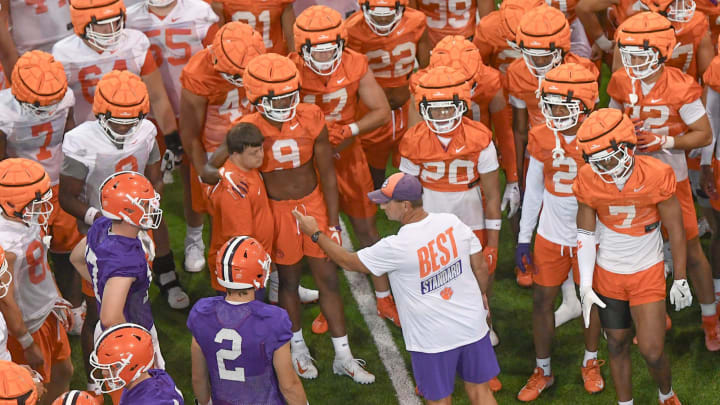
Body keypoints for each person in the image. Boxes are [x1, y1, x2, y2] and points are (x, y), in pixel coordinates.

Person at [218, 52, 374, 383]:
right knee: (287, 282)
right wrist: (214, 179)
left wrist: (331, 220)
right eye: (279, 98)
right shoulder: (245, 128)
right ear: (256, 98)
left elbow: (327, 173)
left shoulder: (312, 116)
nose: (287, 103)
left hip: (313, 204)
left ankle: (343, 356)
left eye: (291, 95)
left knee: (329, 279)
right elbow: (219, 163)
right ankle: (298, 349)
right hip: (276, 210)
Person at [292, 172, 500, 405]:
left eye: (386, 202)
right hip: (472, 328)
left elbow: (347, 261)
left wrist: (315, 233)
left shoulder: (396, 247)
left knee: (439, 401)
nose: (382, 208)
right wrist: (481, 295)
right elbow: (480, 267)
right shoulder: (453, 223)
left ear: (405, 205)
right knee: (482, 394)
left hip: (431, 342)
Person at [608, 11, 720, 351]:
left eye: (641, 54)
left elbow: (704, 134)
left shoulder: (681, 86)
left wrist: (665, 141)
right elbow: (610, 121)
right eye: (629, 54)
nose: (633, 62)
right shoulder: (621, 81)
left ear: (661, 52)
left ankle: (710, 319)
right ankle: (655, 315)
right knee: (643, 252)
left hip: (672, 179)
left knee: (691, 249)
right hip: (629, 180)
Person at [289, 5, 399, 332]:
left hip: (348, 158)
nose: (325, 57)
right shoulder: (288, 70)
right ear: (301, 47)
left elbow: (381, 110)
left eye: (330, 48)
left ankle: (383, 296)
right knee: (320, 234)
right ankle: (328, 301)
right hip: (309, 165)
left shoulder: (355, 62)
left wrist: (349, 129)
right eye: (317, 50)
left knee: (366, 229)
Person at [574, 108, 689, 405]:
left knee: (652, 350)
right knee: (616, 343)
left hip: (647, 270)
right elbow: (585, 235)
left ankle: (667, 393)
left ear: (627, 147)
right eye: (597, 161)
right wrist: (586, 285)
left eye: (610, 158)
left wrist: (681, 278)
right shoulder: (588, 178)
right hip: (609, 271)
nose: (605, 168)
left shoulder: (656, 173)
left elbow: (676, 230)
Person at [514, 63, 604, 402]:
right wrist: (524, 237)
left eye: (558, 106)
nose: (550, 113)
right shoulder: (542, 136)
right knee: (541, 301)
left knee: (591, 300)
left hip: (590, 234)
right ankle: (543, 369)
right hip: (551, 234)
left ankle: (591, 360)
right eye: (548, 105)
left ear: (582, 105)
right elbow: (533, 190)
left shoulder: (602, 133)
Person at [399, 66, 502, 350]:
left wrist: (492, 243)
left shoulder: (480, 137)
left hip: (470, 210)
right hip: (429, 209)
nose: (442, 115)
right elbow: (406, 195)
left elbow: (493, 196)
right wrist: (409, 234)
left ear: (462, 105)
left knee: (478, 275)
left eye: (447, 108)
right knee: (430, 280)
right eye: (435, 108)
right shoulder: (413, 139)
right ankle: (436, 339)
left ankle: (483, 328)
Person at [125, 0, 220, 273]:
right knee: (150, 186)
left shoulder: (199, 11)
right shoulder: (129, 18)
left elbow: (217, 61)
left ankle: (194, 240)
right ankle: (153, 251)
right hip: (150, 114)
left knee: (197, 179)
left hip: (195, 109)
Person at [0, 50, 85, 335]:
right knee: (25, 255)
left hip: (57, 183)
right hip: (21, 191)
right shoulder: (3, 111)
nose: (49, 108)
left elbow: (70, 137)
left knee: (67, 248)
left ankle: (74, 304)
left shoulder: (65, 98)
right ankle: (29, 308)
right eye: (40, 104)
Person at [188, 236, 308, 405]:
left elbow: (198, 378)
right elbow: (289, 386)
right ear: (257, 273)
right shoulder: (273, 320)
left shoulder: (202, 313)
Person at [0, 158, 73, 405]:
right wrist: (26, 341)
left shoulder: (25, 218)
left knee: (65, 373)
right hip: (29, 325)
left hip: (46, 312)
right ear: (11, 203)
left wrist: (56, 297)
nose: (44, 208)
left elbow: (41, 261)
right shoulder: (5, 244)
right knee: (36, 390)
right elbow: (5, 300)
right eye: (36, 202)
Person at [345, 0, 431, 187]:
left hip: (407, 104)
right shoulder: (352, 28)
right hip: (371, 108)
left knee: (416, 162)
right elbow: (350, 77)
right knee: (372, 174)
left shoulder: (416, 21)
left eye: (387, 14)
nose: (382, 20)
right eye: (377, 14)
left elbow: (427, 69)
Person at [203, 123, 276, 295]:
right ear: (235, 153)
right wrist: (258, 265)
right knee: (243, 319)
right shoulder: (237, 190)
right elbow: (240, 242)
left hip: (252, 265)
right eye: (253, 153)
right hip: (242, 272)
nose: (260, 156)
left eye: (260, 150)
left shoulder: (245, 170)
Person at [90, 323, 183, 404]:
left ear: (132, 367)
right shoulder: (157, 375)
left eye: (111, 367)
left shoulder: (145, 401)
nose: (104, 373)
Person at [208, 0, 296, 54]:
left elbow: (292, 35)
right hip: (238, 59)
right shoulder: (219, 4)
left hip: (273, 59)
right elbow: (217, 38)